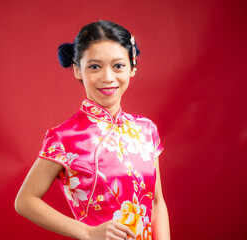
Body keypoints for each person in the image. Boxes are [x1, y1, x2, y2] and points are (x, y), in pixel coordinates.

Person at [15, 20, 170, 240]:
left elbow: (156, 202)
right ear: (78, 70)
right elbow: (25, 200)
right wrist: (88, 232)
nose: (107, 77)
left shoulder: (146, 130)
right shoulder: (64, 138)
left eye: (118, 66)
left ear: (132, 67)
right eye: (95, 66)